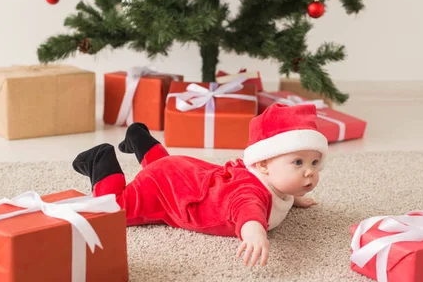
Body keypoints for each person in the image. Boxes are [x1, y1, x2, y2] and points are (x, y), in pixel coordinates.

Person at [72, 103, 328, 266]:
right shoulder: (250, 193)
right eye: (298, 163)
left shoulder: (275, 181)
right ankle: (100, 160)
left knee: (166, 166)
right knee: (115, 209)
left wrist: (294, 196)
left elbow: (278, 188)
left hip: (183, 172)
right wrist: (255, 235)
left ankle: (139, 138)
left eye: (315, 163)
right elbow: (248, 213)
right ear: (262, 165)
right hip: (167, 190)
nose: (310, 173)